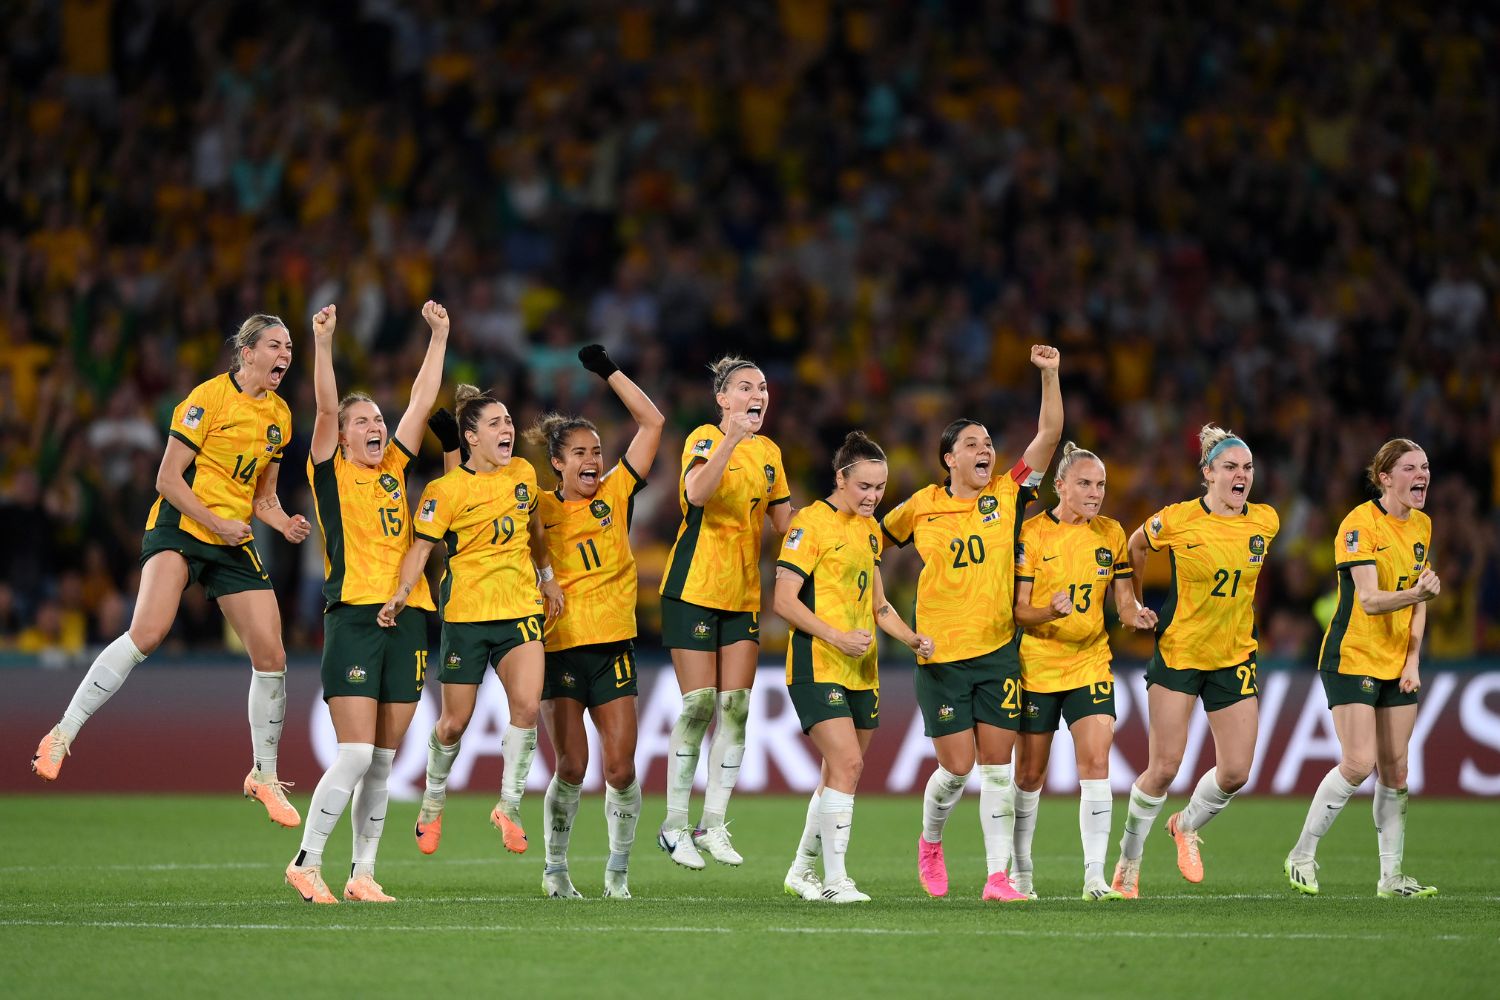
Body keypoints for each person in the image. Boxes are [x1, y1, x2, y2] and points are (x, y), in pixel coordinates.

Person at [31, 314, 311, 828]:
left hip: (231, 535)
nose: (285, 354)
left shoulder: (281, 416)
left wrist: (283, 521)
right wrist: (216, 524)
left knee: (272, 655)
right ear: (246, 352)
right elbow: (166, 478)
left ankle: (264, 777)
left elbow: (263, 496)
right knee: (148, 633)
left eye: (289, 346)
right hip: (183, 523)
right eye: (275, 345)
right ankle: (61, 735)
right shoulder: (207, 399)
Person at [881, 345, 1062, 902]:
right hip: (940, 655)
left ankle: (996, 876)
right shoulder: (919, 507)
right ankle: (930, 841)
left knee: (997, 769)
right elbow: (869, 543)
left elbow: (1050, 434)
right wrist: (870, 598)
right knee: (956, 769)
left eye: (988, 443)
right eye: (972, 445)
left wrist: (1050, 375)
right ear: (949, 459)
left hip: (997, 651)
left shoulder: (1009, 494)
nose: (985, 450)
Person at [282, 301, 449, 904]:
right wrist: (322, 342)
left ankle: (363, 874)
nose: (376, 426)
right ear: (343, 434)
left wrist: (440, 336)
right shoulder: (330, 471)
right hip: (353, 614)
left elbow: (424, 400)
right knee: (354, 751)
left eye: (379, 418)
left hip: (408, 619)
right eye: (363, 421)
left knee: (381, 760)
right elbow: (325, 406)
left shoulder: (393, 467)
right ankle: (305, 861)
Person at [378, 384, 564, 856]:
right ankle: (433, 802)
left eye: (508, 422)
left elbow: (536, 532)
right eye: (496, 424)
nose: (508, 430)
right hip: (466, 617)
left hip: (520, 609)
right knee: (454, 724)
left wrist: (547, 577)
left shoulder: (523, 474)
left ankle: (509, 805)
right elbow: (421, 549)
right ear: (471, 437)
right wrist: (401, 593)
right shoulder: (446, 491)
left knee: (526, 708)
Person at [1112, 424, 1280, 898]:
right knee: (1164, 767)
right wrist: (1135, 602)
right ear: (1208, 473)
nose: (1241, 475)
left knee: (1236, 772)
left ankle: (1185, 825)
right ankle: (1128, 863)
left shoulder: (1265, 522)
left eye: (1247, 468)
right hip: (1181, 652)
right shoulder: (1178, 519)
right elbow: (1135, 545)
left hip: (1233, 656)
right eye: (1230, 467)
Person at [528, 345, 664, 899]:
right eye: (579, 452)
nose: (591, 460)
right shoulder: (534, 505)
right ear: (556, 462)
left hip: (613, 647)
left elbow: (652, 421)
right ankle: (556, 869)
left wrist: (609, 371)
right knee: (571, 766)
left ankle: (617, 871)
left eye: (597, 451)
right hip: (558, 647)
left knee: (622, 770)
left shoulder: (617, 492)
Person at [775, 431, 932, 904]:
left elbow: (879, 605)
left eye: (880, 487)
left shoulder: (869, 530)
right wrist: (837, 636)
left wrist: (911, 638)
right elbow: (782, 599)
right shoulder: (809, 524)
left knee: (838, 773)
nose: (873, 496)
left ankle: (801, 870)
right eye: (864, 486)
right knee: (847, 762)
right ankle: (835, 880)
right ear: (840, 479)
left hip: (863, 668)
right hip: (817, 662)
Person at [1285, 439, 1439, 898]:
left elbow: (1421, 596)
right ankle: (1302, 854)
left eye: (1426, 466)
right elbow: (1370, 601)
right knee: (1358, 762)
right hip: (1351, 655)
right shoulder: (1358, 524)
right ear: (1386, 478)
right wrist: (1418, 595)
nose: (1422, 474)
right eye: (1411, 467)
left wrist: (1412, 659)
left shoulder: (1423, 525)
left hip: (1397, 661)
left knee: (1396, 772)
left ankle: (1391, 878)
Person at [657, 355, 793, 869]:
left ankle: (711, 823)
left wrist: (836, 527)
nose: (758, 394)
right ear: (723, 399)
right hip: (692, 588)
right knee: (699, 706)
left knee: (736, 707)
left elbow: (786, 524)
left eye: (762, 386)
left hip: (741, 596)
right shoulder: (705, 439)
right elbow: (696, 493)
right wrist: (732, 440)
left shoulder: (771, 453)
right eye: (745, 387)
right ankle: (674, 825)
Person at [1010, 442, 1157, 902]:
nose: (1095, 493)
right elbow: (1018, 611)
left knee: (1096, 764)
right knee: (1030, 774)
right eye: (1085, 484)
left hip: (1091, 660)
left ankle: (1095, 876)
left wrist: (1134, 613)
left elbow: (1122, 598)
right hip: (1037, 663)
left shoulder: (1111, 533)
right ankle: (1021, 871)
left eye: (1101, 485)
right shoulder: (1032, 534)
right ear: (1060, 486)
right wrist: (1048, 612)